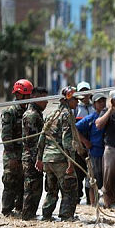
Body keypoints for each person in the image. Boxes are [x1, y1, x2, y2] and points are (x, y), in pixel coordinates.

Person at [36, 86, 79, 221]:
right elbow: (67, 141)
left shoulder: (50, 114)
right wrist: (70, 163)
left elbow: (42, 137)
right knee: (70, 188)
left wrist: (39, 158)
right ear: (68, 99)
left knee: (51, 190)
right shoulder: (67, 115)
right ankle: (67, 216)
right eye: (76, 100)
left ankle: (46, 215)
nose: (77, 103)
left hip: (48, 159)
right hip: (60, 159)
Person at [1, 79, 33, 216]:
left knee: (23, 183)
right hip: (12, 155)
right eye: (27, 96)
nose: (29, 98)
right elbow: (6, 137)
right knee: (10, 182)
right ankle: (6, 211)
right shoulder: (10, 112)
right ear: (19, 95)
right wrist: (12, 157)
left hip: (24, 154)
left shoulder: (29, 111)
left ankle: (20, 210)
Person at [21, 87, 48, 220]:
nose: (46, 102)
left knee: (36, 189)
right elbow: (32, 142)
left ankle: (30, 217)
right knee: (31, 189)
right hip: (31, 158)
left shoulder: (37, 113)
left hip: (35, 157)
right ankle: (27, 218)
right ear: (36, 98)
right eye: (43, 99)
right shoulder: (32, 115)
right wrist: (38, 159)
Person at [76, 93, 107, 206]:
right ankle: (93, 204)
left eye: (104, 101)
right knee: (92, 179)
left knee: (107, 179)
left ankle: (107, 203)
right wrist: (84, 141)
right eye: (99, 102)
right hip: (94, 151)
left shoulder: (109, 115)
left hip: (107, 152)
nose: (102, 104)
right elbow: (76, 128)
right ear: (94, 105)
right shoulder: (91, 118)